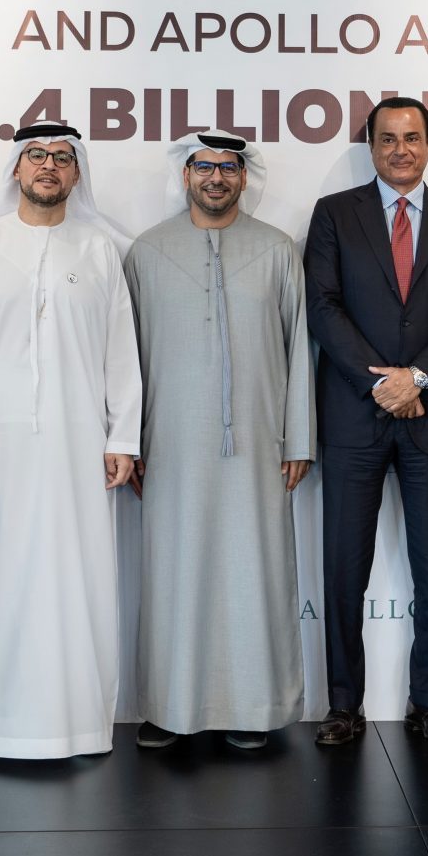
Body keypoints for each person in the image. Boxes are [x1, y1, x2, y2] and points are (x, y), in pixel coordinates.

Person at [0, 122, 141, 760]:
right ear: (17, 170)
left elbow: (120, 352)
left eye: (62, 158)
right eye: (37, 156)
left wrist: (123, 436)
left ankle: (74, 723)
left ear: (77, 174)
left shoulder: (98, 249)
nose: (49, 165)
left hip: (80, 445)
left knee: (76, 579)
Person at [304, 96, 428, 747]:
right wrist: (383, 383)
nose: (400, 150)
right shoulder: (334, 214)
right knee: (343, 570)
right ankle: (342, 706)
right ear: (371, 147)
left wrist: (420, 378)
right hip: (355, 415)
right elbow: (323, 307)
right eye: (387, 139)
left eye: (412, 138)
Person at [125, 131, 314, 752]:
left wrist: (298, 439)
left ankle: (252, 709)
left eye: (227, 168)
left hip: (259, 445)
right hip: (171, 447)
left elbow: (299, 349)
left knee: (253, 570)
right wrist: (129, 441)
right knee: (173, 571)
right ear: (186, 176)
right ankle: (168, 708)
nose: (215, 178)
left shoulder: (278, 249)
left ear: (242, 177)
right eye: (203, 167)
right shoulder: (148, 251)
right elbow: (126, 362)